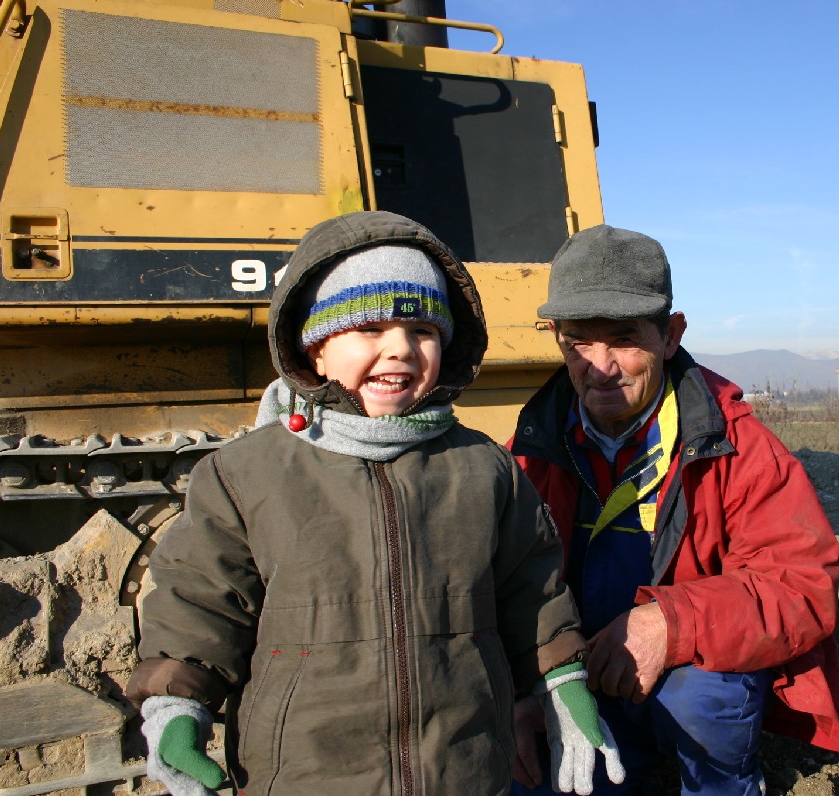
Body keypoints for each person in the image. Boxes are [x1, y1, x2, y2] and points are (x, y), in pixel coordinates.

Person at [126, 211, 623, 796]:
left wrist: (562, 681)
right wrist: (175, 708)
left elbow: (531, 591)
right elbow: (200, 602)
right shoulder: (243, 475)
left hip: (463, 769)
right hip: (307, 774)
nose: (400, 350)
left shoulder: (483, 468)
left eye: (423, 331)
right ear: (315, 350)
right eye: (369, 329)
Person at [508, 225, 839, 795]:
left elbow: (801, 586)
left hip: (680, 675)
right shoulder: (531, 449)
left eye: (623, 340)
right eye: (578, 342)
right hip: (581, 678)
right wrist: (522, 689)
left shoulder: (736, 446)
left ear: (671, 336)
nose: (600, 366)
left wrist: (670, 623)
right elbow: (505, 587)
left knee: (704, 698)